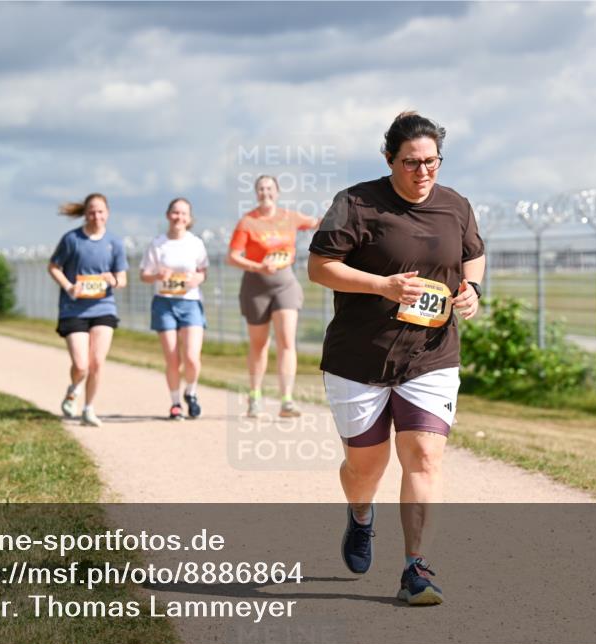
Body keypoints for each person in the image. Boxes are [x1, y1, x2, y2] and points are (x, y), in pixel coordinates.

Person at [307, 111, 485, 606]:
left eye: (432, 162)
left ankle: (416, 568)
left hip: (431, 354)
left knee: (425, 455)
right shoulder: (355, 203)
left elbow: (474, 254)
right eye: (411, 162)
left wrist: (472, 288)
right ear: (389, 160)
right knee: (365, 467)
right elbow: (320, 268)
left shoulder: (456, 206)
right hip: (359, 358)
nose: (423, 172)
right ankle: (361, 515)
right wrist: (381, 285)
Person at [228, 175, 319, 418]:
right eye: (260, 188)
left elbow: (317, 223)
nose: (265, 192)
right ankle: (255, 396)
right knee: (259, 345)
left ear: (277, 192)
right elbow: (233, 256)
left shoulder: (289, 217)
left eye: (269, 188)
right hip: (256, 287)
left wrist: (341, 214)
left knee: (287, 341)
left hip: (284, 285)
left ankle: (286, 400)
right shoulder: (247, 222)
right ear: (256, 193)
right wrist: (258, 267)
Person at [48, 193, 128, 427]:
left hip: (103, 307)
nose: (96, 216)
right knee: (81, 365)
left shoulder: (115, 243)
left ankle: (89, 408)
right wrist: (69, 286)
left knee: (97, 362)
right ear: (85, 214)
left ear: (108, 213)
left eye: (101, 211)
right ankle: (74, 389)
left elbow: (122, 279)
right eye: (92, 211)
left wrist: (112, 279)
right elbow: (53, 267)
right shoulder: (72, 240)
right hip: (74, 309)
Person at [139, 198, 209, 420]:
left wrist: (197, 278)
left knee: (191, 357)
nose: (179, 217)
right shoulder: (158, 244)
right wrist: (157, 275)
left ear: (189, 218)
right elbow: (144, 275)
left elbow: (203, 271)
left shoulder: (196, 243)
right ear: (168, 215)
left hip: (190, 303)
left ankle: (191, 392)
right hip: (164, 303)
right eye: (175, 213)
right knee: (172, 359)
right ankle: (175, 402)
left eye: (184, 214)